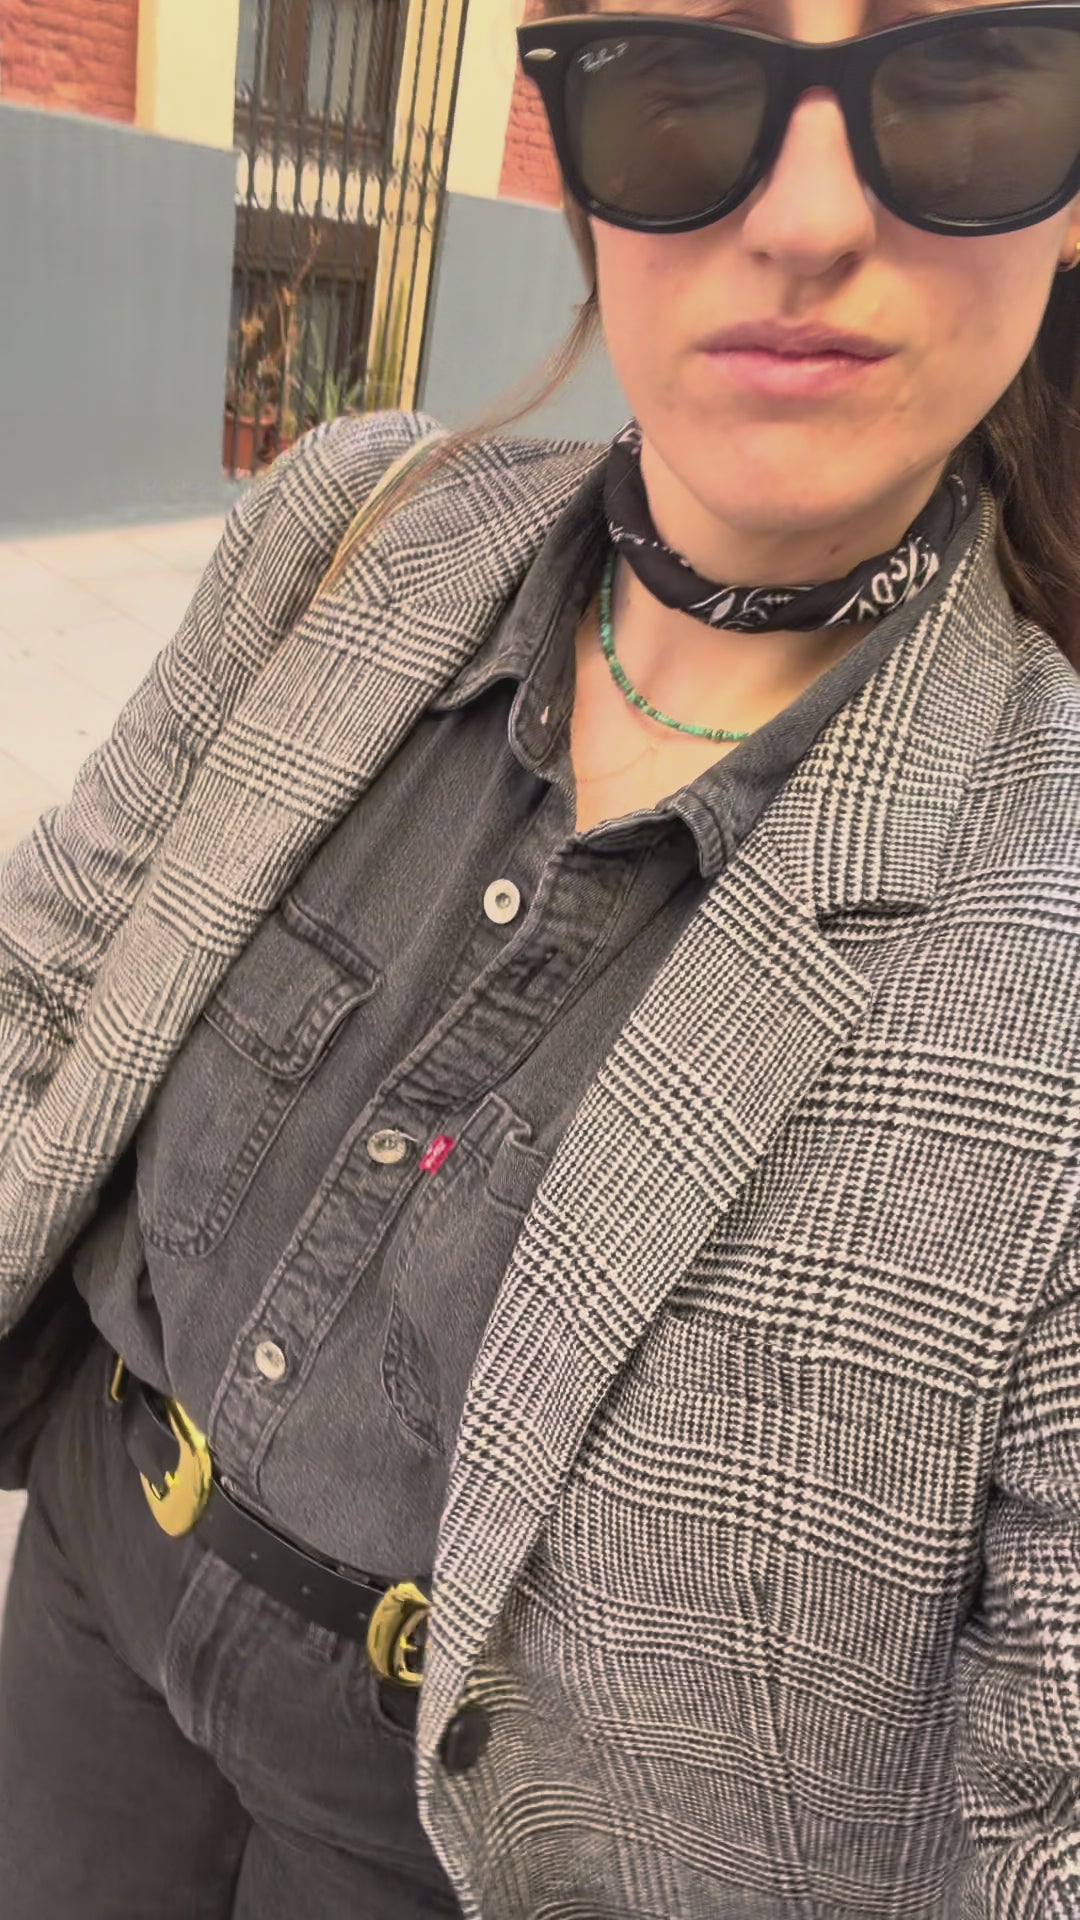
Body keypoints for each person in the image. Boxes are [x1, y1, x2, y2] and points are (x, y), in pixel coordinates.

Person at [0, 0, 1078, 1912]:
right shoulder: (356, 528)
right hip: (90, 1587)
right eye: (693, 81)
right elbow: (55, 968)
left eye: (959, 85)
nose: (809, 215)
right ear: (579, 156)